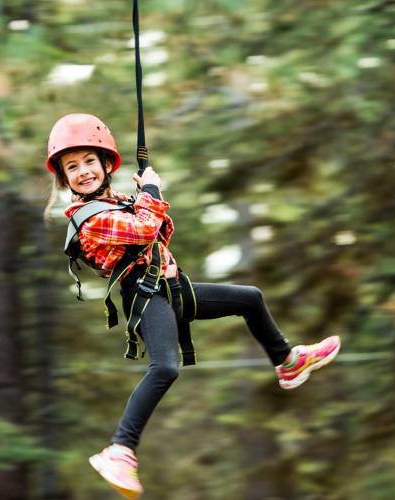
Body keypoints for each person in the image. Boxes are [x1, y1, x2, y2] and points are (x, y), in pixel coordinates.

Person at [44, 113, 340, 499]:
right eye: (72, 167)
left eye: (88, 162)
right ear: (65, 179)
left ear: (105, 164)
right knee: (165, 367)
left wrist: (144, 195)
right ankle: (119, 449)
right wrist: (150, 194)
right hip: (146, 295)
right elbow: (146, 229)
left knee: (250, 298)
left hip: (171, 288)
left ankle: (287, 362)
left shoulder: (115, 205)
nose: (83, 171)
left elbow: (161, 231)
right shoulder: (89, 219)